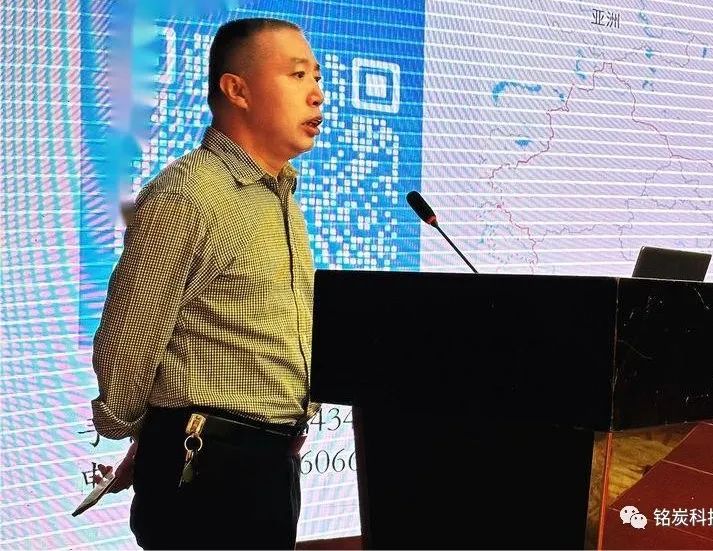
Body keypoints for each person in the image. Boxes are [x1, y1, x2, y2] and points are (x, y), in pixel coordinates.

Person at [90, 17, 324, 550]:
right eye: (297, 75)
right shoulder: (188, 195)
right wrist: (150, 431)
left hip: (271, 468)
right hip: (207, 473)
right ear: (237, 90)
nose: (317, 93)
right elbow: (130, 339)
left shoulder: (280, 198)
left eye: (316, 76)